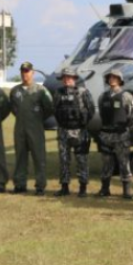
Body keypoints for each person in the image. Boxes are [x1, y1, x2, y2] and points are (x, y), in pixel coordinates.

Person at [10, 61, 55, 195]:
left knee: (38, 157)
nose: (25, 74)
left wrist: (39, 118)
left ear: (33, 73)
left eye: (27, 71)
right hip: (20, 128)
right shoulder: (15, 91)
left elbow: (49, 108)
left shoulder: (41, 91)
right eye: (23, 71)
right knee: (20, 157)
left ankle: (40, 186)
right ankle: (20, 184)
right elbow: (13, 108)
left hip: (36, 128)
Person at [53, 67, 95, 197]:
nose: (67, 80)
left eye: (69, 77)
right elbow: (55, 109)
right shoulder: (58, 93)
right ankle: (64, 187)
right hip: (63, 131)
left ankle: (83, 188)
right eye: (65, 77)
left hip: (79, 131)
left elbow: (91, 110)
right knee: (64, 160)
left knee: (81, 160)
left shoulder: (83, 92)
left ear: (75, 79)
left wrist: (82, 122)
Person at [97, 69, 133, 199]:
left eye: (115, 77)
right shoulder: (102, 97)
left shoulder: (126, 96)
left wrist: (123, 128)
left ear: (120, 80)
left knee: (124, 162)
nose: (112, 79)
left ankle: (126, 190)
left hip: (121, 135)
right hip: (106, 135)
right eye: (110, 77)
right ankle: (105, 189)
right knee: (106, 163)